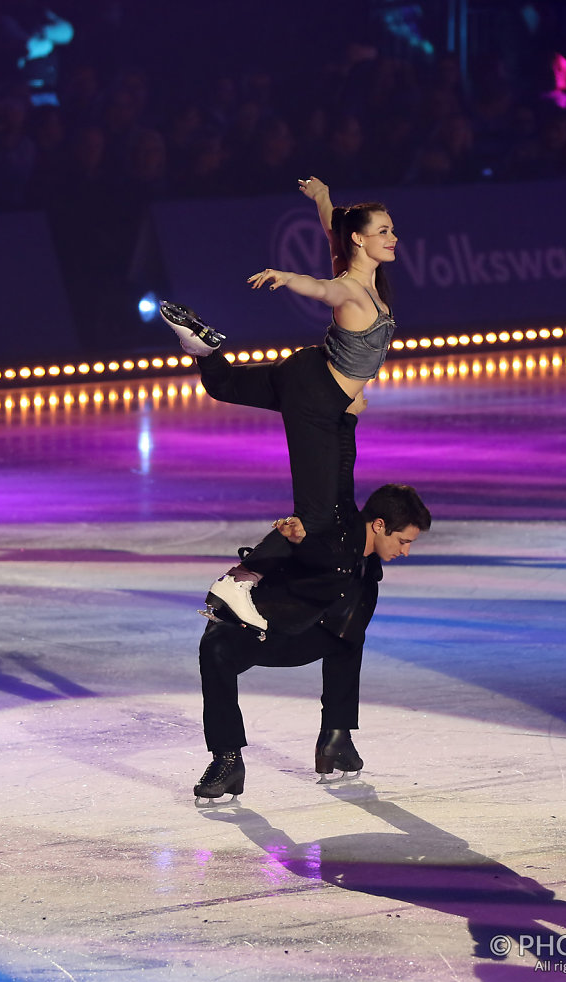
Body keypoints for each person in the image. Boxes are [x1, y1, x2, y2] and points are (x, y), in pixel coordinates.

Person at [160, 177, 398, 631]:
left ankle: (201, 346)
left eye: (390, 230)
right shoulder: (349, 289)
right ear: (361, 240)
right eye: (383, 230)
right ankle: (240, 580)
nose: (393, 238)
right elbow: (322, 289)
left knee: (223, 384)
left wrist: (323, 198)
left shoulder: (359, 273)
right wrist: (288, 278)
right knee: (315, 514)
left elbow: (333, 232)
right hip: (314, 399)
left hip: (308, 375)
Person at [194, 467, 432, 800]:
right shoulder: (321, 533)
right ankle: (227, 759)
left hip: (305, 634)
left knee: (350, 634)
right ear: (379, 525)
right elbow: (261, 561)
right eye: (403, 541)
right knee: (214, 647)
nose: (405, 551)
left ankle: (336, 737)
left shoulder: (367, 569)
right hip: (264, 630)